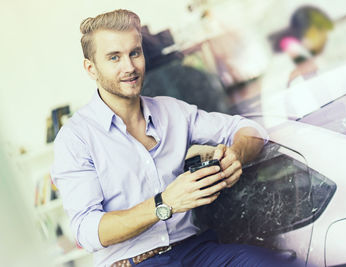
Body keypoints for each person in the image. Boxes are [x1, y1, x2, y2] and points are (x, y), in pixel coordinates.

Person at [51, 9, 287, 267]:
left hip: (196, 252)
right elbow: (86, 231)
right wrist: (164, 204)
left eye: (135, 53)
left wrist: (237, 155)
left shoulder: (172, 111)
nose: (129, 67)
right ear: (91, 68)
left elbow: (249, 129)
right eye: (114, 57)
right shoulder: (75, 138)